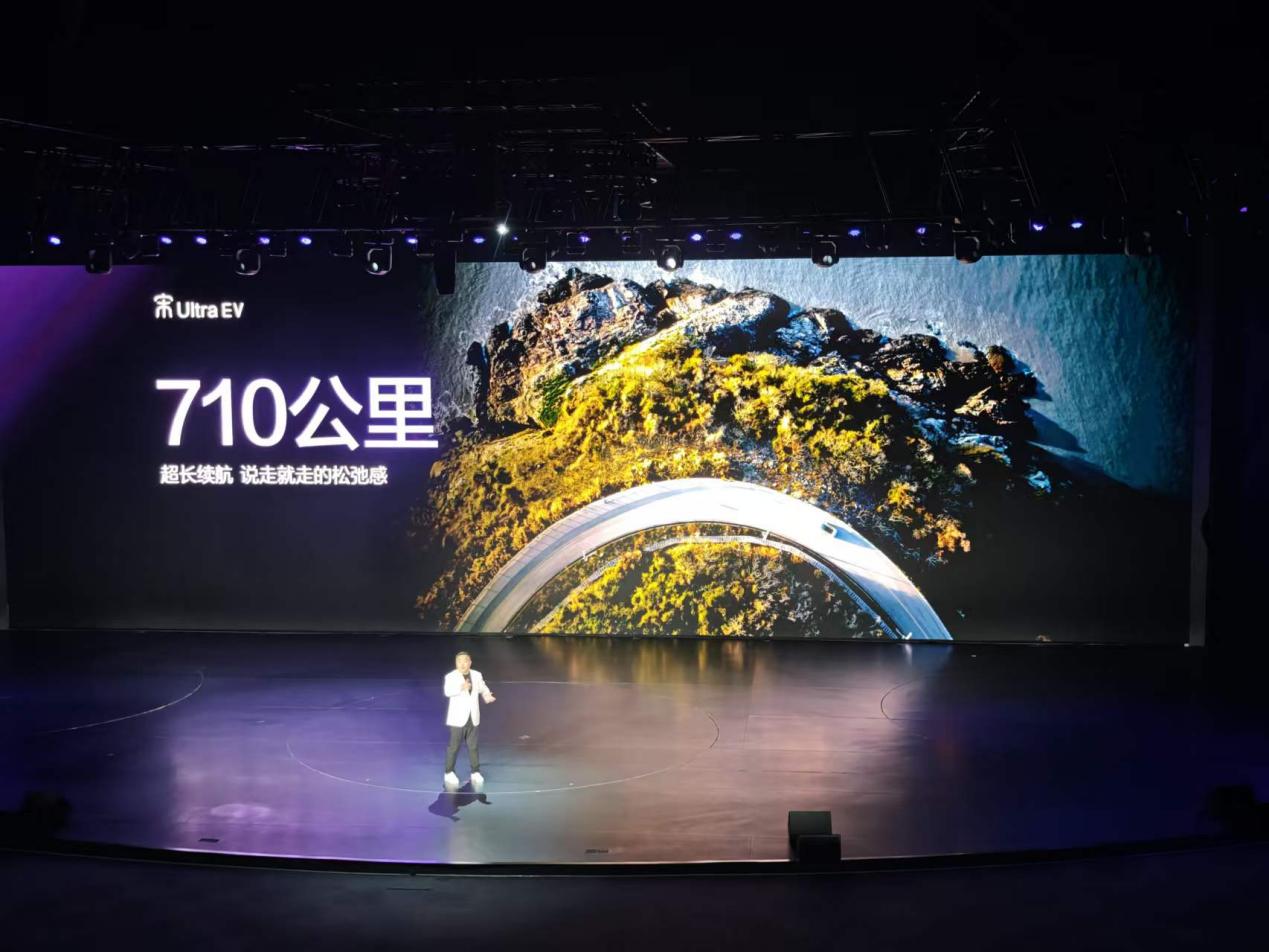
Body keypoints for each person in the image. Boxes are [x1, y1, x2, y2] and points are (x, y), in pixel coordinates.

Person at [442, 651, 495, 787]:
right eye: (459, 661)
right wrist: (461, 687)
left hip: (473, 717)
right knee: (454, 747)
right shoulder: (451, 676)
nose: (462, 664)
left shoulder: (477, 675)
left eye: (465, 661)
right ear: (456, 663)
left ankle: (475, 771)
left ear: (470, 662)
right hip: (458, 719)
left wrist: (487, 695)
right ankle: (448, 772)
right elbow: (447, 692)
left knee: (473, 746)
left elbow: (482, 687)